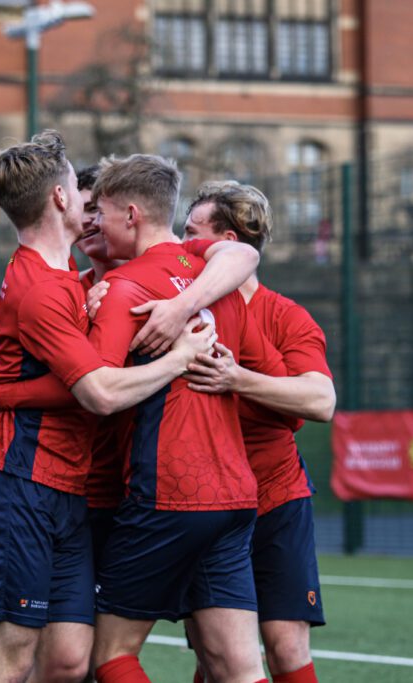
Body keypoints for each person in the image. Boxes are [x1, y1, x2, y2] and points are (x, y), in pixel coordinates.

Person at [0, 131, 256, 683]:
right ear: (58, 198)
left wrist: (175, 306)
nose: (87, 201)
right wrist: (180, 355)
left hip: (72, 493)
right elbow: (97, 391)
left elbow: (242, 250)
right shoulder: (45, 289)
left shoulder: (80, 285)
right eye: (80, 192)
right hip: (22, 484)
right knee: (11, 661)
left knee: (72, 660)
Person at [82, 155, 270, 683]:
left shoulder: (126, 291)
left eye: (103, 211)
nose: (95, 222)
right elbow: (241, 255)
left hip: (168, 492)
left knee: (111, 655)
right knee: (240, 667)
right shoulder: (216, 276)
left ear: (132, 214)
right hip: (234, 493)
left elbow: (97, 393)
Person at [147, 180, 337, 683]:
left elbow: (320, 401)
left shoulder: (284, 315)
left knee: (286, 646)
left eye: (191, 233)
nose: (181, 243)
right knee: (218, 656)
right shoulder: (178, 305)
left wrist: (238, 379)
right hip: (206, 502)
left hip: (275, 496)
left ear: (225, 242)